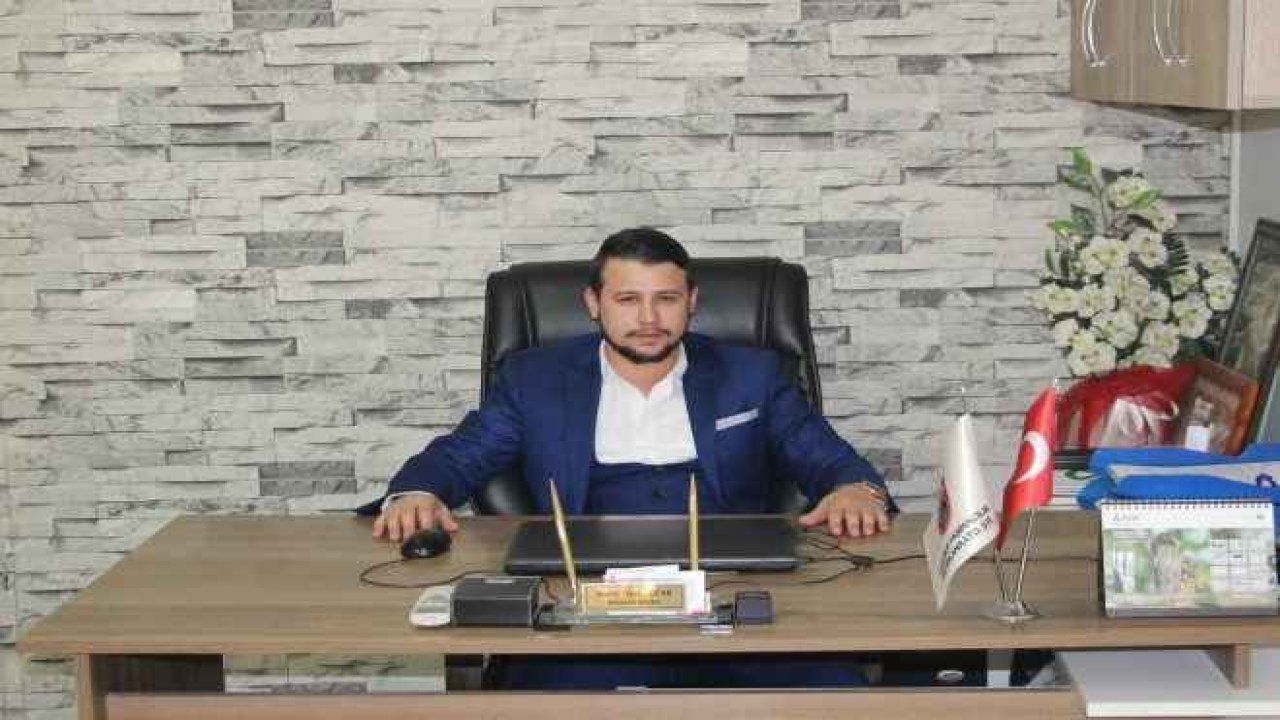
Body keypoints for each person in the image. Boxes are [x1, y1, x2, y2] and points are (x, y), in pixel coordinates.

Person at [363, 227, 894, 688]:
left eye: (666, 299)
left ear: (691, 301)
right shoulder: (536, 380)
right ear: (593, 303)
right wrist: (418, 492)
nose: (648, 318)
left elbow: (826, 457)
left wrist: (855, 488)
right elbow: (462, 455)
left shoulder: (751, 374)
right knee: (538, 704)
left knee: (834, 694)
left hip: (732, 595)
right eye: (627, 299)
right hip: (588, 606)